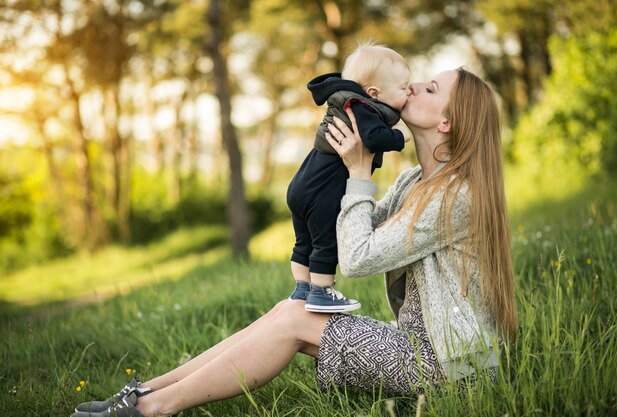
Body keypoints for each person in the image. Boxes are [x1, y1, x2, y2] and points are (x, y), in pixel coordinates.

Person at [70, 67, 518, 417]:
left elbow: (360, 260)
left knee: (293, 322)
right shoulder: (414, 182)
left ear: (446, 123)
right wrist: (331, 175)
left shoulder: (457, 196)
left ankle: (151, 409)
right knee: (292, 310)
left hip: (450, 370)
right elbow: (350, 239)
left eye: (432, 89)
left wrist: (360, 172)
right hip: (422, 351)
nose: (415, 86)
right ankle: (147, 390)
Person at [286, 42, 411, 313]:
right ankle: (320, 292)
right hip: (324, 189)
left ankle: (301, 289)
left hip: (301, 183)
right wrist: (401, 136)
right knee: (326, 240)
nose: (409, 91)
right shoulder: (361, 107)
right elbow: (373, 137)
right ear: (374, 92)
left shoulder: (345, 100)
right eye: (403, 88)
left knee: (303, 242)